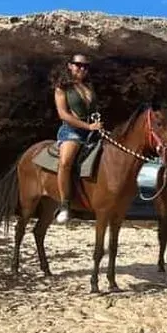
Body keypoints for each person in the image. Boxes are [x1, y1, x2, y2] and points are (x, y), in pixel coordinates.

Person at [53, 54, 104, 224]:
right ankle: (64, 205)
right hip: (71, 131)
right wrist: (87, 126)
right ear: (70, 66)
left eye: (85, 66)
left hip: (93, 131)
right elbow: (63, 114)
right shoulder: (62, 87)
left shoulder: (89, 87)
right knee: (66, 162)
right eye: (78, 65)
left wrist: (96, 124)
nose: (82, 68)